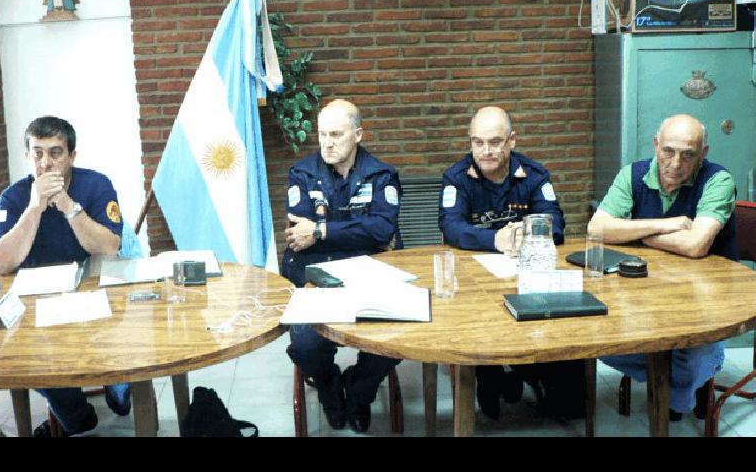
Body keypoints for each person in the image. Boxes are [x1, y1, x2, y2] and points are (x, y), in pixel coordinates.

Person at [439, 106, 586, 420]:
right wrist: (495, 240)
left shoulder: (534, 175)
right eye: (478, 142)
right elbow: (450, 227)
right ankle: (490, 378)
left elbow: (556, 222)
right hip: (477, 280)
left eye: (495, 142)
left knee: (562, 316)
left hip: (526, 273)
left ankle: (536, 375)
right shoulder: (455, 178)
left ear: (512, 141)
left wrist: (527, 231)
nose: (486, 151)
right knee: (481, 320)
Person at [588, 113, 737, 420]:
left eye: (688, 154)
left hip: (705, 299)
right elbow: (597, 229)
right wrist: (668, 225)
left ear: (703, 153)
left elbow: (696, 245)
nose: (676, 162)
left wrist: (638, 234)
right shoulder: (633, 174)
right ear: (656, 145)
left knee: (696, 357)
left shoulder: (718, 180)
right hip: (646, 294)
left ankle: (679, 390)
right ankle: (682, 384)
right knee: (592, 341)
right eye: (668, 151)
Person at [0, 115, 129, 437]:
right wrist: (34, 208)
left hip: (94, 290)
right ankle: (78, 417)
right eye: (37, 153)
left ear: (72, 156)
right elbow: (2, 263)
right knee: (33, 360)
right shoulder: (12, 197)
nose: (45, 163)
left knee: (123, 344)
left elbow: (109, 247)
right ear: (27, 156)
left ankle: (116, 380)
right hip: (37, 301)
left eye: (55, 153)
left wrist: (67, 205)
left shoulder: (96, 185)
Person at [282, 99, 403, 432]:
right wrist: (356, 235)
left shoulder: (381, 175)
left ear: (358, 134)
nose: (327, 143)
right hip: (317, 279)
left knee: (395, 341)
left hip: (371, 278)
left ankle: (359, 393)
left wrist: (321, 232)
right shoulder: (302, 174)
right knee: (306, 344)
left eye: (336, 134)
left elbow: (383, 229)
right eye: (322, 134)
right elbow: (298, 236)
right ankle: (329, 386)